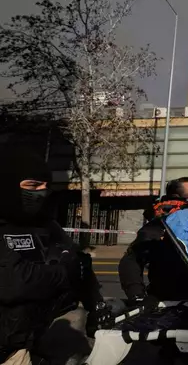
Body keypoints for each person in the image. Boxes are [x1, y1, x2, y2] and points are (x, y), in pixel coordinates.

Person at [0, 148, 111, 365]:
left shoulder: (47, 226)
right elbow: (13, 283)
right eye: (32, 185)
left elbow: (80, 266)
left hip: (32, 340)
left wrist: (95, 305)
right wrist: (64, 271)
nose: (41, 192)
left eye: (45, 186)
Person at [119, 177, 188, 306]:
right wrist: (137, 295)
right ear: (176, 197)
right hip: (165, 299)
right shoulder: (160, 225)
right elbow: (131, 261)